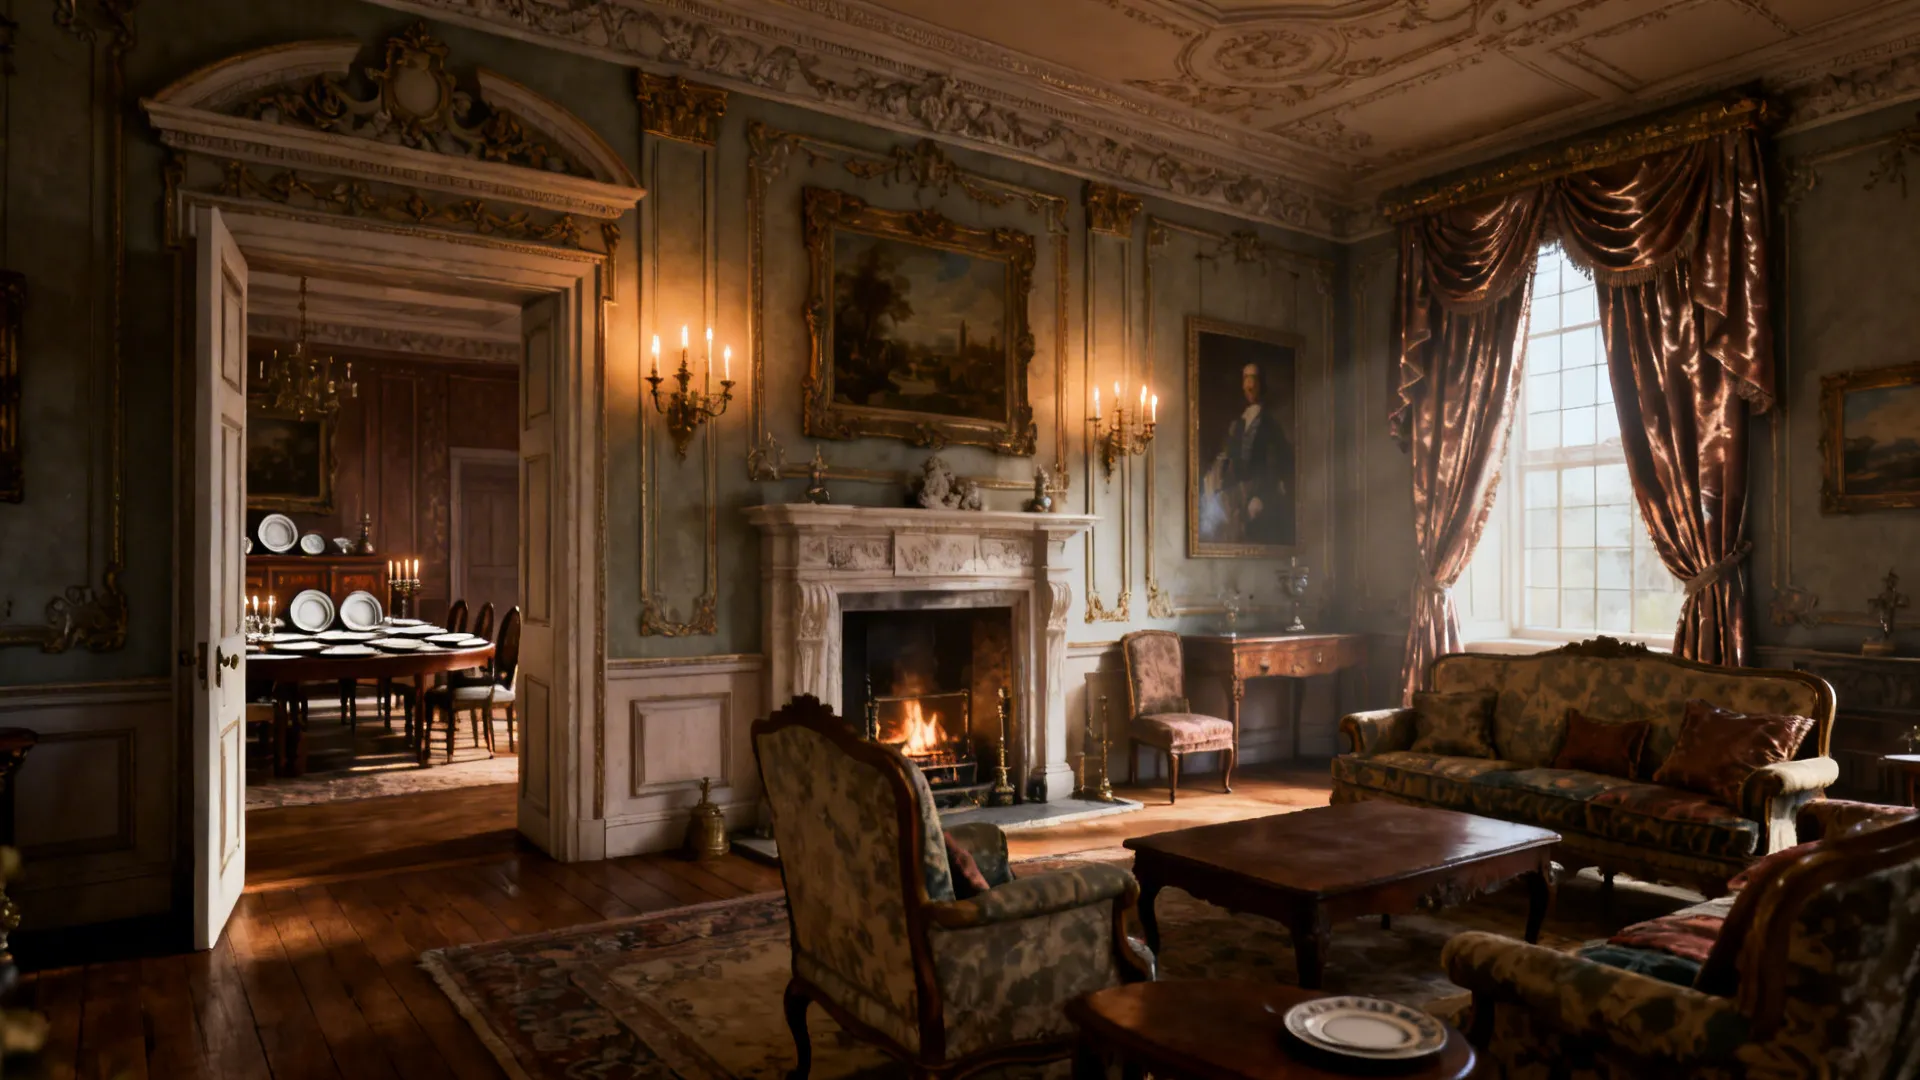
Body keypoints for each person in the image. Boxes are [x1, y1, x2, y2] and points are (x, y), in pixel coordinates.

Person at [1204, 361, 1294, 545]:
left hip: (1261, 491)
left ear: (1261, 384)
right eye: (1246, 379)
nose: (1250, 386)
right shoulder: (1237, 424)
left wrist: (1262, 496)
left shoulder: (1270, 423)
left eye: (1253, 379)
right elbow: (1227, 457)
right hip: (1238, 489)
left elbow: (1279, 463)